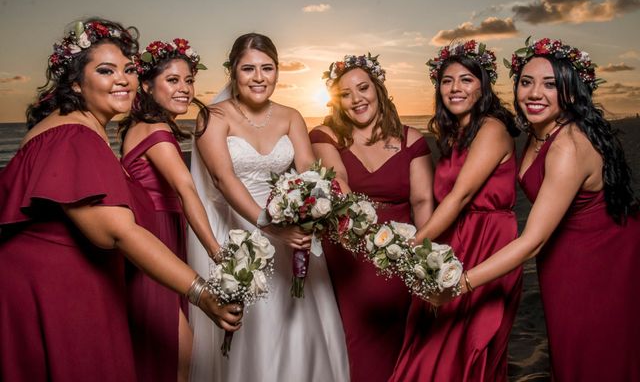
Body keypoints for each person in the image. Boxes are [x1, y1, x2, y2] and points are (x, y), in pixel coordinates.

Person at [0, 19, 242, 382]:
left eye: (128, 69)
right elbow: (115, 233)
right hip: (56, 291)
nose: (123, 79)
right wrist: (201, 292)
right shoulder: (72, 134)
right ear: (76, 83)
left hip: (60, 286)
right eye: (105, 70)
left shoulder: (75, 128)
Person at [435, 38, 640, 381]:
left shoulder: (568, 146)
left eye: (550, 84)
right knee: (568, 350)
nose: (534, 93)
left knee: (597, 354)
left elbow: (532, 241)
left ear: (571, 92)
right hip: (564, 258)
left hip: (603, 260)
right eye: (526, 82)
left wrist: (462, 283)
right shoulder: (537, 132)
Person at [188, 33, 349, 382]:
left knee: (299, 322)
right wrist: (269, 225)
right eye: (248, 69)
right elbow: (223, 178)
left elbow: (308, 169)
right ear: (233, 71)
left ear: (277, 71)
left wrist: (315, 211)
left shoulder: (291, 116)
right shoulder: (213, 117)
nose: (259, 77)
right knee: (256, 322)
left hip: (292, 227)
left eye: (267, 68)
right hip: (241, 230)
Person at [390, 40, 522, 382]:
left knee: (468, 348)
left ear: (483, 85)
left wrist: (414, 245)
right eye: (447, 81)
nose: (455, 88)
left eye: (466, 79)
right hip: (453, 240)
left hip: (487, 243)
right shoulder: (453, 134)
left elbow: (460, 196)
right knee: (429, 342)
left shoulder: (491, 128)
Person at [309, 53, 434, 382]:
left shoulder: (412, 140)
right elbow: (339, 183)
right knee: (358, 340)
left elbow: (422, 200)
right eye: (345, 94)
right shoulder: (326, 135)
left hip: (404, 246)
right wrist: (373, 238)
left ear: (378, 88)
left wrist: (422, 253)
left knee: (404, 339)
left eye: (363, 88)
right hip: (352, 249)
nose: (356, 99)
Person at [119, 38, 222, 382]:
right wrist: (215, 250)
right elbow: (186, 189)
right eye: (173, 80)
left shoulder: (140, 126)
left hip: (161, 237)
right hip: (156, 239)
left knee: (164, 354)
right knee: (181, 354)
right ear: (147, 85)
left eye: (189, 80)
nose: (185, 89)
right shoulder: (158, 130)